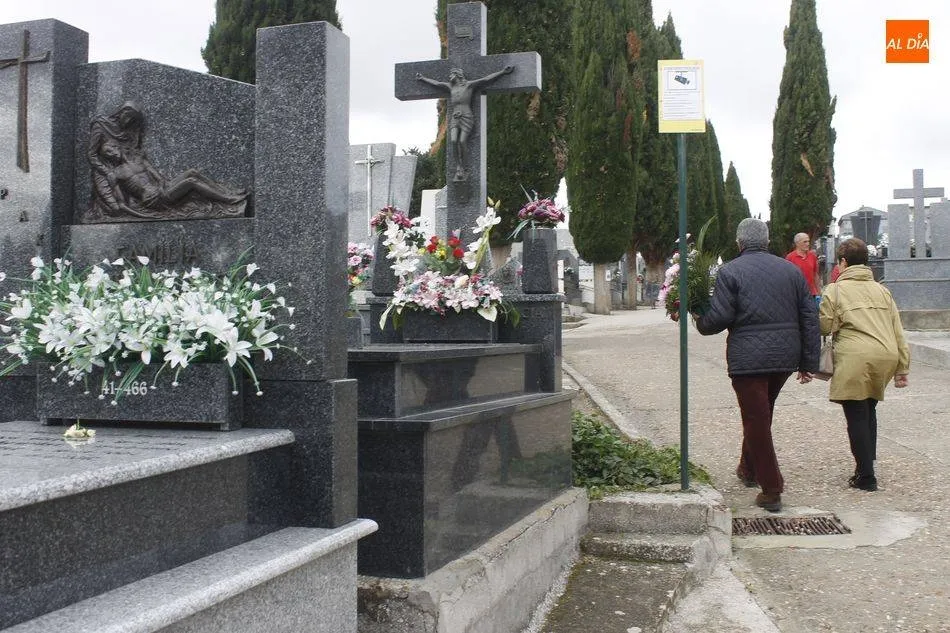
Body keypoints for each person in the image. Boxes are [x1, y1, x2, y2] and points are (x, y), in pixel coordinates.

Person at [695, 218, 819, 512]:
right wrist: (808, 361)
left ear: (739, 243)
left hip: (748, 359)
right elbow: (810, 317)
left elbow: (720, 318)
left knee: (756, 419)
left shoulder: (730, 272)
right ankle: (747, 468)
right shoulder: (790, 270)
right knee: (761, 415)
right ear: (767, 242)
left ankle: (772, 488)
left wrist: (699, 317)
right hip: (784, 358)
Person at [819, 238, 909, 492]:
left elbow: (826, 326)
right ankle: (866, 464)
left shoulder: (835, 290)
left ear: (844, 263)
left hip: (855, 356)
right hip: (886, 354)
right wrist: (903, 366)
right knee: (869, 408)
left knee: (856, 413)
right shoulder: (882, 290)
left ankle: (866, 476)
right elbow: (897, 329)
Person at [415, 66, 513, 181]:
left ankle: (465, 165)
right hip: (455, 117)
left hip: (467, 116)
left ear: (457, 75)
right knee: (453, 140)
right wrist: (422, 79)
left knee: (462, 141)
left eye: (451, 74)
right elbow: (436, 84)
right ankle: (459, 166)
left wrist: (502, 72)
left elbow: (486, 80)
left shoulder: (469, 85)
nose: (449, 76)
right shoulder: (450, 87)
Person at [786, 232, 822, 307]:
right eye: (805, 242)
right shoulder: (790, 258)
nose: (808, 244)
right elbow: (787, 278)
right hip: (796, 295)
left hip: (811, 295)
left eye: (808, 241)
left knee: (812, 317)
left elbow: (815, 275)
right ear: (797, 243)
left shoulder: (812, 256)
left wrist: (819, 293)